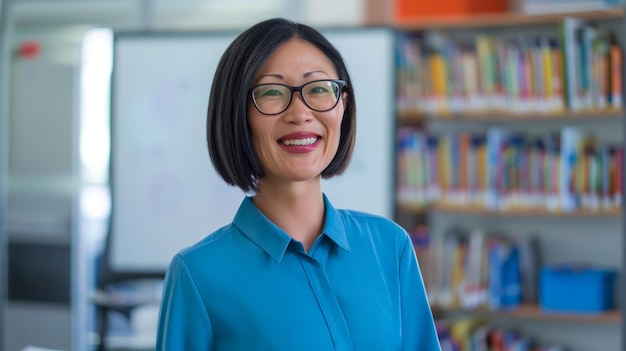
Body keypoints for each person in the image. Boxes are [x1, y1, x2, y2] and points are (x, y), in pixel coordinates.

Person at [155, 17, 441, 351]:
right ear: (237, 114)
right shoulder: (198, 275)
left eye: (319, 89)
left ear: (343, 106)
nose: (300, 113)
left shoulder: (389, 247)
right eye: (272, 92)